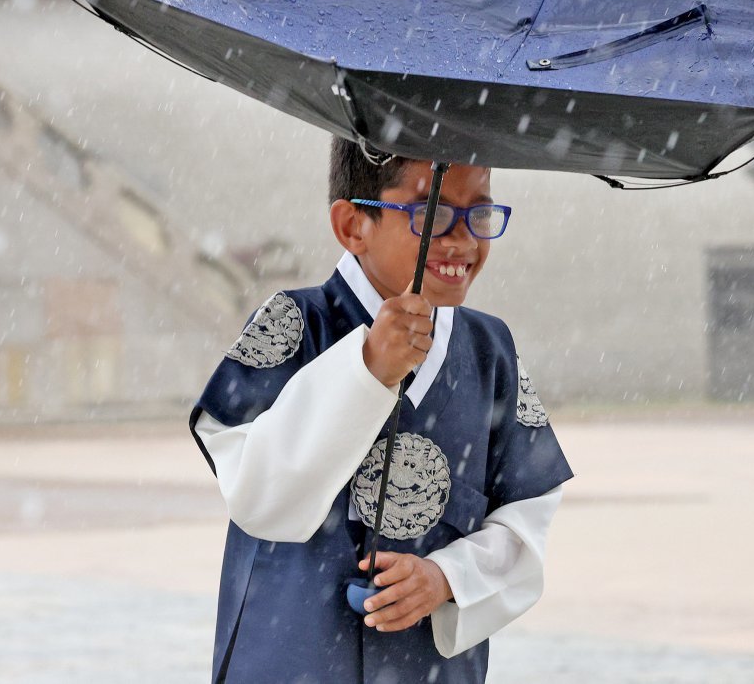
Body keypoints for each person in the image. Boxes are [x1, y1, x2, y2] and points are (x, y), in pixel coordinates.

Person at [190, 138, 574, 683]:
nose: (462, 239)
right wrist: (366, 370)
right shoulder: (293, 323)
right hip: (288, 656)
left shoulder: (491, 350)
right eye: (433, 214)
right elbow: (257, 495)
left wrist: (447, 576)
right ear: (352, 226)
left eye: (480, 212)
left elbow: (527, 515)